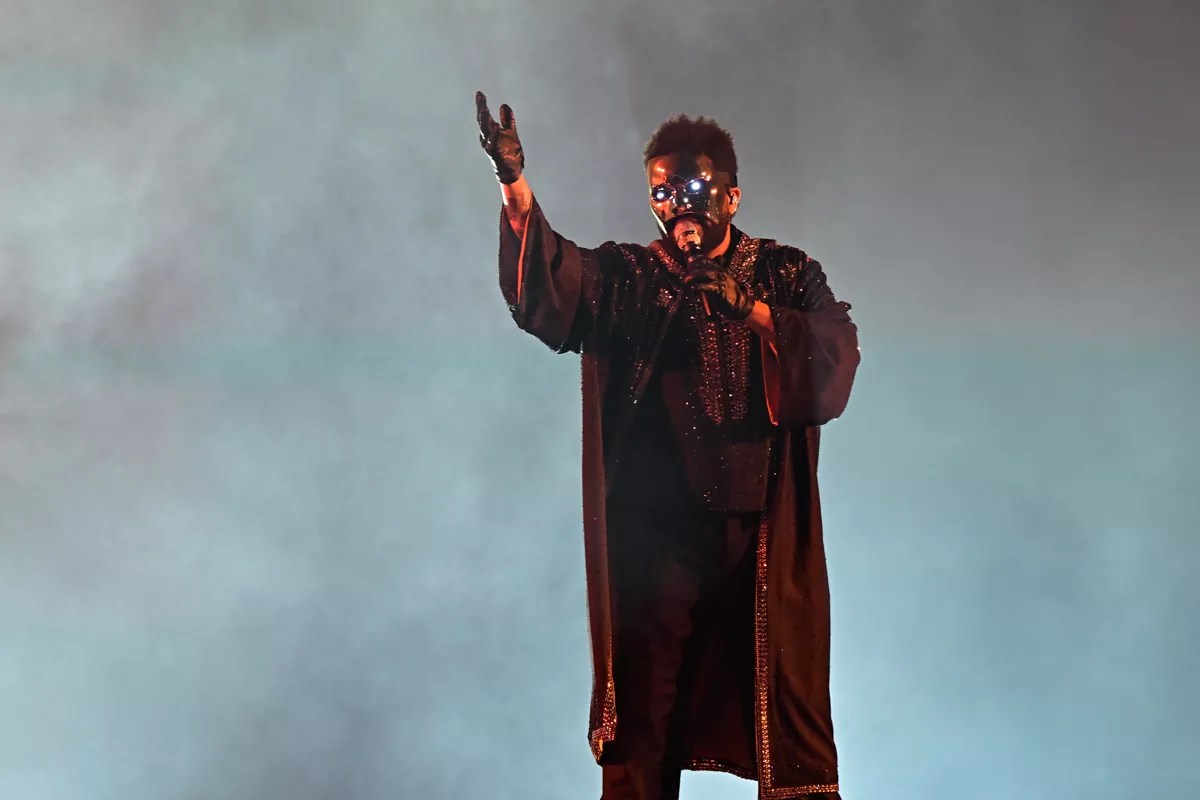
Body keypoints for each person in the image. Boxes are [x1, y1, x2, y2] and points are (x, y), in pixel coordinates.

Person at [476, 90, 859, 800]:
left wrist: (754, 311)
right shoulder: (633, 278)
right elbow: (553, 288)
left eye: (691, 189)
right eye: (661, 192)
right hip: (660, 546)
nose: (676, 205)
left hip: (763, 540)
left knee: (790, 715)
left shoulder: (784, 272)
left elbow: (836, 353)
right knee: (642, 722)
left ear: (731, 196)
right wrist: (515, 186)